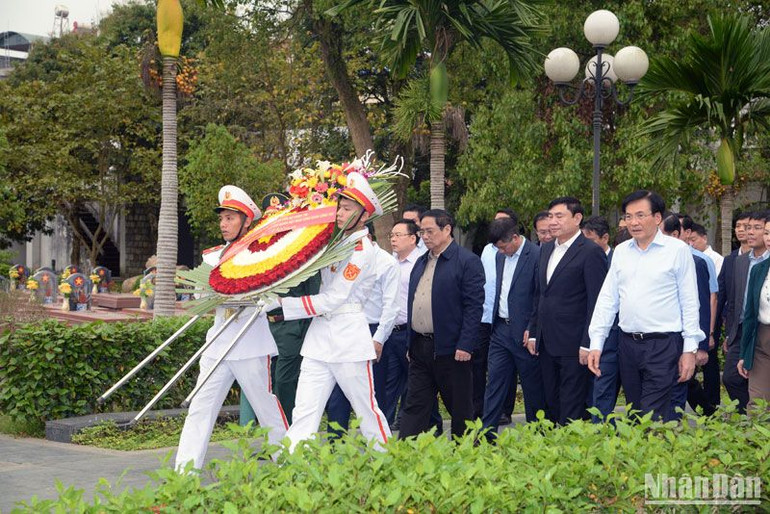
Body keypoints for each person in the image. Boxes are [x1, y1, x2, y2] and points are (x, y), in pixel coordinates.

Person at [175, 186, 288, 471]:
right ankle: (183, 474)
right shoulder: (213, 257)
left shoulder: (263, 254)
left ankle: (291, 466)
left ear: (246, 221)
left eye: (231, 218)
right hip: (218, 344)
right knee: (200, 408)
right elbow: (201, 297)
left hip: (251, 344)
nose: (224, 224)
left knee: (267, 410)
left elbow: (274, 298)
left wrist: (248, 296)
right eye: (222, 218)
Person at [278, 173, 391, 451]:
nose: (340, 213)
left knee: (367, 412)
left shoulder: (363, 251)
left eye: (348, 208)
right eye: (339, 206)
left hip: (348, 339)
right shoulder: (336, 243)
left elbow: (334, 298)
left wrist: (283, 306)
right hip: (319, 339)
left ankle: (388, 461)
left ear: (364, 216)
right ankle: (291, 468)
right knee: (304, 412)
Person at [588, 191, 703, 421]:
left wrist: (690, 349)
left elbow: (690, 302)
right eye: (629, 216)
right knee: (636, 412)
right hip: (627, 344)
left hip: (663, 345)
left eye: (640, 215)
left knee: (654, 415)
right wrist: (596, 343)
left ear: (658, 217)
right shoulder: (621, 251)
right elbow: (608, 300)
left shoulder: (677, 251)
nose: (633, 222)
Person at [399, 209, 485, 439]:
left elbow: (474, 306)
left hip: (452, 349)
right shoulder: (421, 261)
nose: (425, 236)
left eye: (430, 231)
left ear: (447, 230)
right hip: (419, 347)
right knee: (414, 405)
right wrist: (410, 343)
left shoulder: (467, 261)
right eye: (421, 232)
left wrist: (466, 344)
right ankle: (404, 454)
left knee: (460, 409)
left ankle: (466, 456)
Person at [240, 193, 320, 427]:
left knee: (284, 383)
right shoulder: (259, 250)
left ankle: (286, 432)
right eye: (269, 220)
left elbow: (312, 292)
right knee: (264, 383)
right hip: (262, 326)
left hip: (289, 327)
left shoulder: (300, 250)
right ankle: (270, 434)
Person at [527, 197, 607, 425]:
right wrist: (533, 331)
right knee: (551, 401)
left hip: (574, 344)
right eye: (550, 216)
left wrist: (588, 342)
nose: (553, 221)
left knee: (572, 404)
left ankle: (572, 451)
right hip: (546, 341)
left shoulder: (590, 251)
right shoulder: (546, 249)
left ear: (577, 218)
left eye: (559, 216)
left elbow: (596, 302)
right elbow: (539, 294)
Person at [325, 231, 399, 436]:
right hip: (344, 328)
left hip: (372, 331)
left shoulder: (385, 262)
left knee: (372, 392)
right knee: (338, 391)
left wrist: (379, 339)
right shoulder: (342, 258)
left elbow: (391, 306)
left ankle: (378, 443)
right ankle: (335, 442)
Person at [482, 216, 544, 439]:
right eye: (497, 248)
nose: (501, 252)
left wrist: (533, 328)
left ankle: (537, 435)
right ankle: (486, 436)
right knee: (495, 383)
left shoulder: (536, 255)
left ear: (515, 238)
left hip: (525, 332)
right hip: (500, 330)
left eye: (503, 246)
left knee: (532, 388)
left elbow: (540, 296)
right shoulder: (500, 258)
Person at [660, 213, 713, 418]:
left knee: (680, 386)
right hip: (660, 340)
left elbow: (700, 305)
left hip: (682, 340)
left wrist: (699, 346)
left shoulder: (695, 262)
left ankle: (708, 414)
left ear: (675, 234)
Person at [723, 212, 769, 412]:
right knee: (754, 399)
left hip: (760, 331)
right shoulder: (750, 265)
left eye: (758, 229)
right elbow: (740, 304)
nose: (750, 232)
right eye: (766, 233)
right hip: (753, 332)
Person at [581, 215, 620, 421]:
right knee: (601, 386)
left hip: (625, 334)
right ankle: (601, 428)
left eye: (590, 239)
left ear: (605, 238)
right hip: (602, 335)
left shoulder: (619, 257)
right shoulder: (584, 257)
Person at [479, 208, 516, 422]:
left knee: (522, 378)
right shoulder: (491, 252)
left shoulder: (532, 254)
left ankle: (510, 413)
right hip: (493, 321)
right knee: (494, 375)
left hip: (518, 325)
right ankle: (487, 427)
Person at [737, 216, 770, 406]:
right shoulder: (759, 270)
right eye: (766, 233)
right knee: (757, 402)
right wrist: (744, 354)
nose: (768, 238)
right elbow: (750, 315)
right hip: (762, 340)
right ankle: (755, 436)